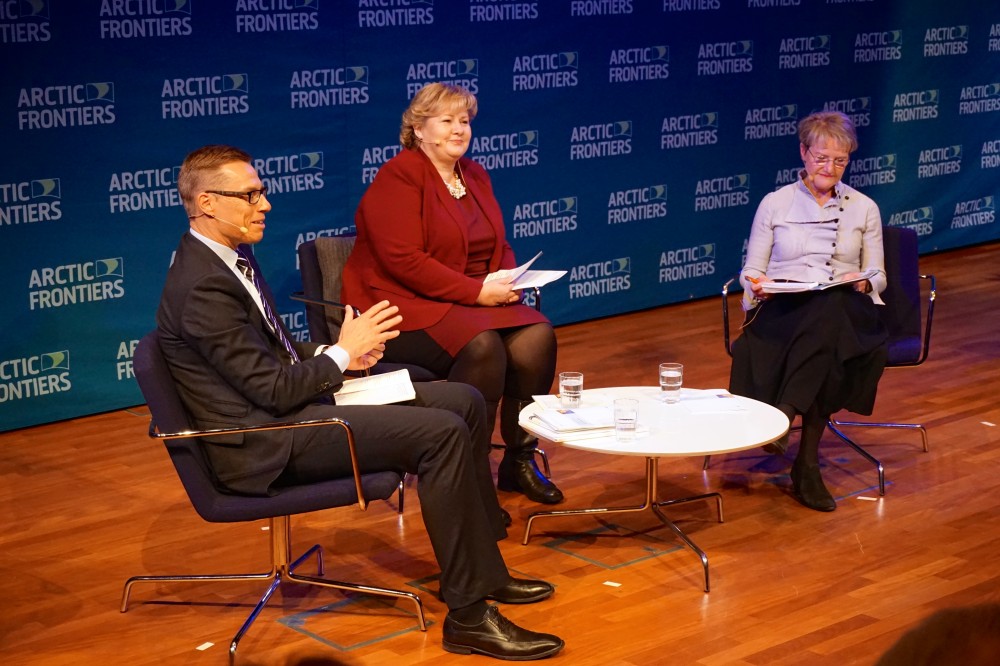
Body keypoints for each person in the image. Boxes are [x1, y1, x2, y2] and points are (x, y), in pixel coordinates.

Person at [156, 144, 564, 661]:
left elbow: (270, 353)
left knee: (460, 400)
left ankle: (483, 570)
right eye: (251, 194)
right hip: (266, 441)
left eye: (262, 192)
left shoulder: (229, 256)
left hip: (287, 410)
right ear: (209, 202)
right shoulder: (202, 286)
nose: (265, 204)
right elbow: (271, 391)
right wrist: (342, 356)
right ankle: (468, 615)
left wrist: (333, 351)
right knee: (439, 435)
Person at [341, 82, 563, 506]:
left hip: (464, 298)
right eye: (447, 121)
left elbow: (498, 242)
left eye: (464, 121)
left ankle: (518, 460)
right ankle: (470, 477)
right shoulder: (398, 177)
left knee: (537, 335)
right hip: (399, 303)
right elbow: (403, 260)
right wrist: (476, 292)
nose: (459, 129)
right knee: (482, 348)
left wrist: (508, 278)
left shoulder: (474, 174)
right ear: (419, 130)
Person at [729, 111, 889, 512]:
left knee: (830, 305)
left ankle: (785, 415)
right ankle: (806, 465)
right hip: (785, 309)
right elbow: (752, 269)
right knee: (826, 345)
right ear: (803, 153)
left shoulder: (864, 207)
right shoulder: (775, 203)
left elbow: (879, 275)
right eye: (821, 158)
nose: (830, 168)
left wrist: (863, 280)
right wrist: (756, 286)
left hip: (846, 309)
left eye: (840, 161)